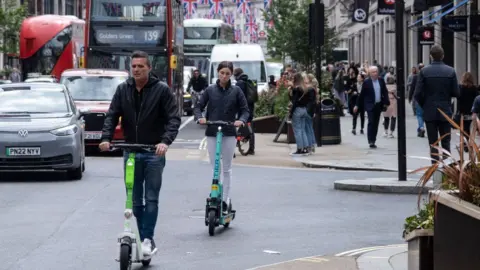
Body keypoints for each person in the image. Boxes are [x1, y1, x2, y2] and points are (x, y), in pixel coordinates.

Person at [99, 50, 181, 256]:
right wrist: (106, 138)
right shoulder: (122, 89)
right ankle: (145, 236)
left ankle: (146, 238)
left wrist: (165, 142)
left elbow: (173, 119)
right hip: (131, 152)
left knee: (151, 198)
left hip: (154, 152)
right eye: (133, 66)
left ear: (149, 68)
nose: (136, 70)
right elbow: (112, 115)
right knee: (134, 200)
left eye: (140, 66)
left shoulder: (162, 90)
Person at [194, 61, 249, 213]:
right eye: (222, 73)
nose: (224, 76)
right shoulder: (210, 90)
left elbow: (245, 110)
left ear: (231, 74)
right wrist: (200, 117)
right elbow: (198, 106)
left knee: (226, 168)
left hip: (229, 132)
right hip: (212, 131)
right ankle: (215, 194)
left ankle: (225, 199)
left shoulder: (236, 91)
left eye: (227, 73)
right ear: (218, 73)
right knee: (215, 167)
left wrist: (241, 121)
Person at [414, 45, 460, 164]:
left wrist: (425, 104)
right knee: (446, 141)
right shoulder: (450, 71)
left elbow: (417, 93)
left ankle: (435, 170)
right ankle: (446, 168)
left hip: (430, 111)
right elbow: (456, 92)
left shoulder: (424, 71)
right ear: (443, 56)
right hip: (445, 110)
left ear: (431, 56)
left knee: (433, 143)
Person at [354, 65, 390, 148]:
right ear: (370, 73)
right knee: (371, 121)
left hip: (378, 104)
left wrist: (386, 102)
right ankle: (370, 140)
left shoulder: (381, 80)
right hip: (370, 105)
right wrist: (357, 105)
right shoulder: (367, 82)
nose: (375, 73)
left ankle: (373, 139)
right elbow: (362, 95)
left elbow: (385, 91)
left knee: (376, 123)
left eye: (376, 71)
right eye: (373, 72)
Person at [290, 72, 315, 155]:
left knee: (297, 130)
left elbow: (294, 102)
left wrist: (291, 113)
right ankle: (305, 148)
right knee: (303, 130)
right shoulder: (305, 89)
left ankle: (300, 148)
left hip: (297, 110)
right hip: (304, 109)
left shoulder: (296, 89)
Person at [233, 67, 256, 155]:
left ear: (236, 75)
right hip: (250, 107)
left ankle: (236, 143)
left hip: (242, 109)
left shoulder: (239, 83)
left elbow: (236, 97)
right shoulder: (249, 81)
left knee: (239, 126)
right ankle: (251, 148)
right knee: (250, 126)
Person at [409, 63, 426, 137]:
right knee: (423, 114)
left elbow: (412, 88)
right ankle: (421, 127)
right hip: (426, 98)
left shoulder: (415, 77)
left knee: (419, 114)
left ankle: (421, 127)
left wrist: (410, 97)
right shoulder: (427, 76)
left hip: (418, 98)